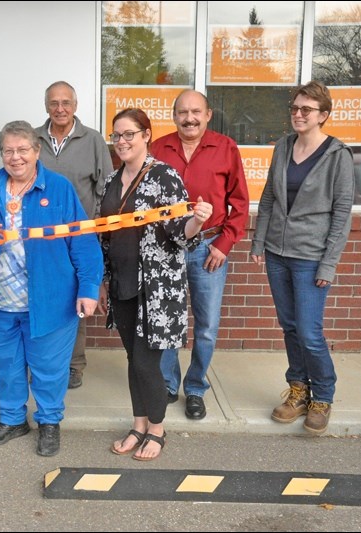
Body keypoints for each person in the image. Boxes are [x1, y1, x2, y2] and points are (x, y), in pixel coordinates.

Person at [0, 120, 103, 456]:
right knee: (6, 366)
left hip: (49, 300)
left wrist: (89, 287)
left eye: (22, 150)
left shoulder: (59, 189)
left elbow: (84, 242)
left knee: (49, 367)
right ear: (1, 153)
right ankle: (12, 419)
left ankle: (48, 422)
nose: (15, 157)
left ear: (36, 152)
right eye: (8, 150)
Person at [99, 109, 212, 461]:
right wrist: (104, 281)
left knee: (147, 363)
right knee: (133, 359)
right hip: (122, 283)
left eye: (129, 134)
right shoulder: (111, 181)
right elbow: (104, 236)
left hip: (156, 288)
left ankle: (157, 429)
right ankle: (138, 424)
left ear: (146, 135)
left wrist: (195, 222)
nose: (122, 142)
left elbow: (180, 235)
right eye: (117, 136)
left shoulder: (165, 177)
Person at [251, 81, 354, 435]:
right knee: (290, 327)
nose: (298, 114)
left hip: (311, 256)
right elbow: (268, 199)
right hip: (278, 253)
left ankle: (323, 395)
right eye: (295, 108)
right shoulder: (282, 147)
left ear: (323, 115)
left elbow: (342, 215)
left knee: (310, 332)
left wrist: (329, 264)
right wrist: (258, 243)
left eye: (306, 110)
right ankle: (298, 390)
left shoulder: (338, 155)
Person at [150, 89, 249, 420]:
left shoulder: (226, 148)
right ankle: (167, 383)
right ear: (174, 115)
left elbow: (241, 203)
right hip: (167, 247)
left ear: (207, 115)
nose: (189, 118)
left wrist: (224, 244)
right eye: (182, 112)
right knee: (166, 321)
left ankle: (195, 387)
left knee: (206, 325)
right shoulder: (157, 149)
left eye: (196, 112)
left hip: (209, 247)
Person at [35, 81, 114, 390]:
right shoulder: (33, 139)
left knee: (76, 297)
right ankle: (41, 360)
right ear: (46, 106)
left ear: (75, 105)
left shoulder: (92, 140)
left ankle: (74, 363)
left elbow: (107, 187)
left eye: (66, 102)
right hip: (38, 238)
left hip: (79, 236)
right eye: (54, 103)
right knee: (39, 297)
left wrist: (96, 228)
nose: (60, 108)